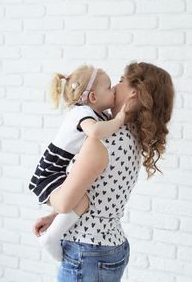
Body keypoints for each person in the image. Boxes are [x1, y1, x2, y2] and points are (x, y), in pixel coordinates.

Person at [33, 62, 174, 282]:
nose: (114, 87)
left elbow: (64, 203)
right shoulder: (133, 135)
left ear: (134, 93)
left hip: (87, 250)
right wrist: (54, 218)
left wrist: (56, 211)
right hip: (110, 246)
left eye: (120, 81)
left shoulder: (102, 139)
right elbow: (96, 190)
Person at [29, 64, 127, 260]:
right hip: (50, 171)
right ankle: (51, 238)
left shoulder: (97, 114)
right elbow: (96, 132)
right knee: (80, 200)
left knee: (78, 196)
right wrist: (121, 118)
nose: (114, 89)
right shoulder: (81, 113)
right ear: (92, 97)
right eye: (109, 88)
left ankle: (53, 226)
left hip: (60, 169)